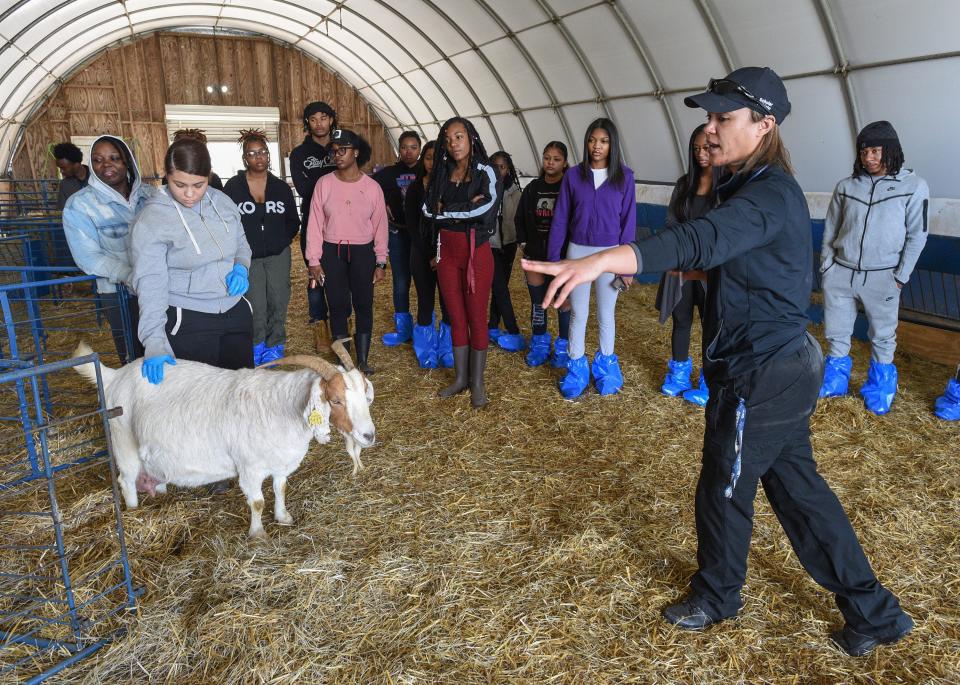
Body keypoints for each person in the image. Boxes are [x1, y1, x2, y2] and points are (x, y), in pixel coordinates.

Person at [522, 67, 914, 658]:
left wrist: (605, 259)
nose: (709, 129)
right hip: (770, 364)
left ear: (764, 124)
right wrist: (672, 267)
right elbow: (730, 262)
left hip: (765, 369)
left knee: (723, 485)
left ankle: (717, 595)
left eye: (723, 118)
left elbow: (699, 239)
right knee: (799, 492)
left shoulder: (770, 193)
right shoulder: (746, 185)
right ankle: (875, 612)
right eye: (707, 118)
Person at [818, 121, 929, 415]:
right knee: (836, 331)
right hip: (841, 271)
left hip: (883, 276)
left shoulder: (913, 187)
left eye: (876, 151)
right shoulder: (846, 186)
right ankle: (835, 381)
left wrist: (900, 277)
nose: (869, 158)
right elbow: (831, 229)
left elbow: (917, 234)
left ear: (891, 151)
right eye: (864, 151)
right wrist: (827, 267)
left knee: (882, 335)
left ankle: (879, 388)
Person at [130, 136, 253, 384]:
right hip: (188, 316)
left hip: (234, 309)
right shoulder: (152, 219)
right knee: (200, 397)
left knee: (239, 390)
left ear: (209, 176)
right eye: (179, 184)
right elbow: (150, 283)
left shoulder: (223, 202)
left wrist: (241, 267)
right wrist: (154, 341)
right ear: (167, 175)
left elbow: (241, 243)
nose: (189, 194)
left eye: (198, 184)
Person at [546, 118, 636, 399]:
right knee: (579, 313)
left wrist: (628, 264)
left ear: (613, 144)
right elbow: (560, 218)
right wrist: (554, 260)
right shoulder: (573, 176)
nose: (597, 146)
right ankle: (576, 369)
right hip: (577, 252)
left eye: (604, 141)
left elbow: (628, 221)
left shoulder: (625, 176)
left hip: (611, 254)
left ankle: (607, 368)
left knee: (606, 314)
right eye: (592, 140)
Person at [422, 117, 500, 408]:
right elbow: (428, 210)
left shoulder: (487, 170)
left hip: (475, 253)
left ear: (471, 138)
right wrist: (460, 209)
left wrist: (449, 210)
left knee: (476, 317)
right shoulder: (441, 171)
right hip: (447, 254)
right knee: (455, 317)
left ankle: (478, 383)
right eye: (448, 138)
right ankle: (460, 378)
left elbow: (487, 209)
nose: (453, 143)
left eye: (459, 136)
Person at [62, 135, 153, 362]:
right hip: (119, 294)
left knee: (167, 351)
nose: (106, 165)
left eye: (115, 158)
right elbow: (88, 257)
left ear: (128, 162)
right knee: (133, 356)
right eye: (98, 160)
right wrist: (129, 275)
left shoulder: (151, 196)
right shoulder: (80, 205)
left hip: (161, 288)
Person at [305, 129, 387, 375]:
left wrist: (381, 261)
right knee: (338, 305)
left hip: (363, 252)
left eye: (343, 150)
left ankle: (362, 360)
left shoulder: (372, 187)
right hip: (333, 251)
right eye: (334, 150)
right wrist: (314, 260)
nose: (337, 155)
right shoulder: (324, 184)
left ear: (356, 152)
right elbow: (315, 224)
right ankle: (344, 362)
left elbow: (380, 225)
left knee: (364, 304)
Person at [223, 129, 300, 365]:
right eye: (252, 153)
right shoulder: (233, 188)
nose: (259, 157)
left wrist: (280, 241)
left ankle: (275, 344)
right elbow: (227, 222)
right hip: (249, 258)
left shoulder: (281, 188)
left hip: (278, 255)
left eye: (263, 152)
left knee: (278, 300)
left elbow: (293, 221)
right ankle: (256, 345)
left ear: (268, 155)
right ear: (245, 158)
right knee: (255, 304)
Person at [657, 124, 715, 406]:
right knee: (681, 321)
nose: (701, 154)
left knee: (710, 324)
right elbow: (671, 223)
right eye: (696, 149)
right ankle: (679, 374)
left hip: (709, 270)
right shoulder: (683, 185)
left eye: (707, 148)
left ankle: (709, 379)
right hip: (681, 268)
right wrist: (676, 257)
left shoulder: (725, 186)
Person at [515, 141, 571, 368]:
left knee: (563, 301)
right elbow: (519, 217)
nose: (550, 162)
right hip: (536, 253)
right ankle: (539, 344)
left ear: (565, 163)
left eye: (556, 159)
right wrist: (523, 241)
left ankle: (564, 347)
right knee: (538, 302)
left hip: (562, 255)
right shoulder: (532, 188)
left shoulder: (569, 187)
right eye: (547, 157)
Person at [290, 101, 339, 353]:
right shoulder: (299, 154)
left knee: (341, 275)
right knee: (315, 275)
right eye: (313, 119)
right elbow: (303, 189)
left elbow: (354, 180)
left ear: (332, 120)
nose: (319, 123)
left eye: (324, 117)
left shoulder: (342, 148)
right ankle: (320, 326)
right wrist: (336, 190)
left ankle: (341, 326)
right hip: (313, 223)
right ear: (307, 123)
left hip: (343, 223)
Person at [405, 141, 454, 369]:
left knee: (448, 303)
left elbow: (454, 222)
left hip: (447, 254)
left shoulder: (451, 187)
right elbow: (412, 226)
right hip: (421, 254)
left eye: (437, 158)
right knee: (425, 302)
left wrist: (441, 255)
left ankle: (447, 349)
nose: (431, 163)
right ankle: (426, 350)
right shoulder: (415, 189)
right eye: (428, 158)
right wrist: (429, 256)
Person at [374, 131, 421, 347]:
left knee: (423, 282)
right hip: (398, 233)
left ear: (419, 150)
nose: (408, 151)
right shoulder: (389, 173)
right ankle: (403, 327)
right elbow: (369, 189)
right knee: (401, 281)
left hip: (421, 236)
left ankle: (423, 326)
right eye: (404, 147)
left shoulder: (426, 170)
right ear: (398, 149)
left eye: (413, 147)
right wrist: (382, 203)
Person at [487, 151, 525, 352]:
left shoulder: (515, 193)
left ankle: (492, 326)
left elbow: (519, 220)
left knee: (499, 288)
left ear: (508, 169)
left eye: (502, 166)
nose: (498, 170)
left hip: (508, 245)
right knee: (500, 287)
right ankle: (512, 329)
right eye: (494, 166)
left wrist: (521, 242)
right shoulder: (485, 190)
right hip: (490, 245)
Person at [53, 142, 89, 210]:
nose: (61, 171)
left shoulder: (98, 178)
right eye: (59, 168)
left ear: (76, 164)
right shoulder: (65, 185)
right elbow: (63, 211)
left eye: (63, 168)